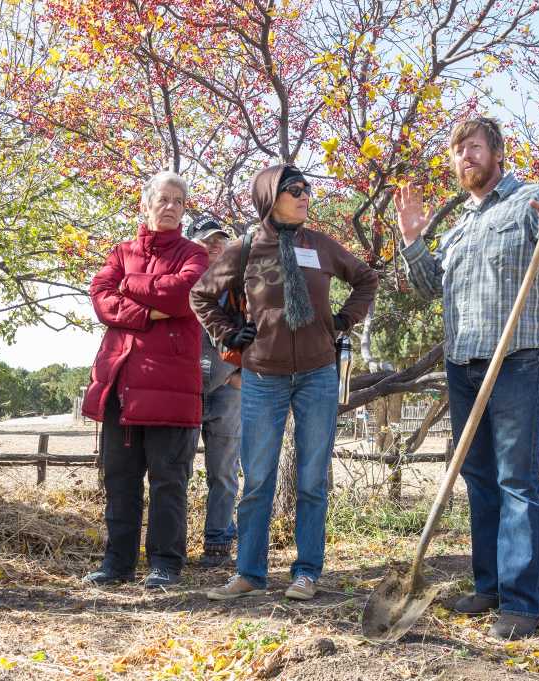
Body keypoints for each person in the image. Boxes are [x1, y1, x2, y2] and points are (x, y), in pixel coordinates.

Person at [395, 117, 539, 639]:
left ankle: (525, 602)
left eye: (474, 147)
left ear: (496, 153)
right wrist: (413, 238)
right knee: (478, 477)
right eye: (457, 151)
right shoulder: (461, 226)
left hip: (518, 358)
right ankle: (491, 586)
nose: (465, 158)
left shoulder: (531, 199)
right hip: (463, 361)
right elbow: (428, 287)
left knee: (515, 479)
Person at [192, 164, 378, 601]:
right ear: (269, 197)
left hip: (317, 374)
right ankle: (249, 573)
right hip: (262, 377)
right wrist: (226, 332)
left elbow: (366, 279)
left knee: (312, 478)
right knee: (257, 479)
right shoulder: (244, 248)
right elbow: (201, 295)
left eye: (307, 188)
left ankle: (307, 572)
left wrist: (342, 321)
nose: (304, 194)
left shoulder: (321, 245)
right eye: (293, 189)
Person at [81, 171, 208, 588]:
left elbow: (181, 294)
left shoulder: (195, 254)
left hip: (171, 388)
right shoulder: (121, 251)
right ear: (145, 205)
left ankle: (165, 564)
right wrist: (146, 312)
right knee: (120, 479)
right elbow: (101, 298)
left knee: (169, 481)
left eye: (178, 201)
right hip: (123, 385)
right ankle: (117, 565)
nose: (170, 207)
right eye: (163, 199)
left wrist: (130, 287)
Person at [189, 215, 242, 568]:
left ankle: (219, 540)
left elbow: (258, 328)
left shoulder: (239, 286)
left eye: (220, 239)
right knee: (175, 470)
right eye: (207, 239)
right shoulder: (181, 283)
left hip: (226, 388)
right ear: (191, 241)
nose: (215, 244)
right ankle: (171, 544)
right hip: (185, 390)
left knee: (223, 471)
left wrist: (240, 373)